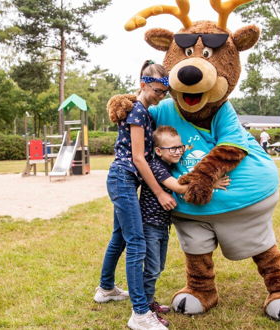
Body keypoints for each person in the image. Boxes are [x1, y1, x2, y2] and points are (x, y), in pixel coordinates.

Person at [94, 60, 173, 330]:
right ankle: (140, 313)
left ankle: (105, 289)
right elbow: (139, 159)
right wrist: (160, 192)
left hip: (125, 180)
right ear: (143, 85)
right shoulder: (138, 112)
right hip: (124, 179)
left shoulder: (143, 111)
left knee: (120, 238)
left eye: (164, 94)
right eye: (157, 92)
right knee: (137, 242)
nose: (161, 97)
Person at [139, 126, 230, 327]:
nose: (178, 151)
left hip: (161, 224)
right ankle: (143, 310)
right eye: (172, 148)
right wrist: (211, 183)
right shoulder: (157, 166)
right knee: (152, 268)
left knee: (158, 266)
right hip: (150, 224)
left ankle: (149, 302)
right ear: (158, 151)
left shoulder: (169, 162)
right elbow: (179, 187)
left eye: (180, 147)